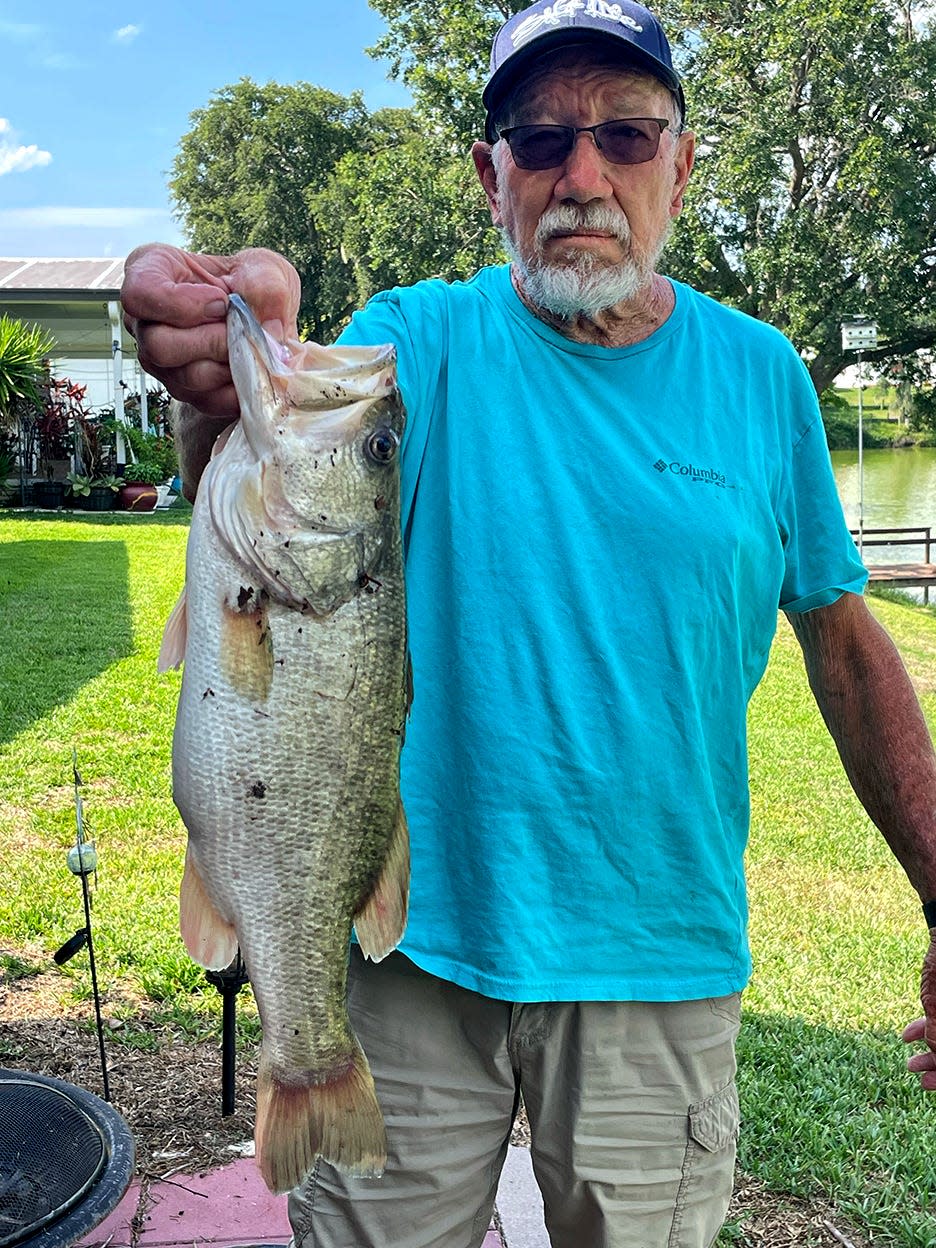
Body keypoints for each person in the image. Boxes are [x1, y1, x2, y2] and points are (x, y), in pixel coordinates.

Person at [122, 2, 936, 1245]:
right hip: (409, 958)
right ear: (489, 173)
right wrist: (217, 360)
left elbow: (845, 643)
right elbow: (280, 462)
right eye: (541, 136)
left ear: (684, 161)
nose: (584, 172)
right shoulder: (418, 340)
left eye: (625, 131)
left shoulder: (765, 377)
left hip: (655, 958)